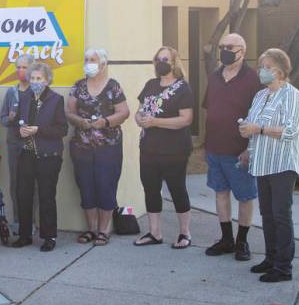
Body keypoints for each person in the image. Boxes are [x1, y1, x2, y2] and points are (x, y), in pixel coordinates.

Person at [239, 48, 299, 283]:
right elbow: (254, 125)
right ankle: (271, 259)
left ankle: (283, 267)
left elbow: (290, 131)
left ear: (280, 69)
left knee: (280, 215)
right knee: (267, 214)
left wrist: (260, 129)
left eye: (266, 67)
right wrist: (248, 146)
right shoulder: (260, 96)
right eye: (261, 67)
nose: (261, 71)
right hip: (262, 163)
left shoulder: (292, 95)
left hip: (282, 164)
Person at [202, 33, 262, 261]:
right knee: (220, 193)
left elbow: (259, 117)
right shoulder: (215, 76)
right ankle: (226, 239)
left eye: (230, 46)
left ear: (242, 51)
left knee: (245, 197)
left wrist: (250, 148)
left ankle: (242, 241)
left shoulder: (253, 79)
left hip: (239, 151)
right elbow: (211, 108)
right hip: (214, 147)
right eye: (222, 46)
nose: (225, 50)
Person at [65, 48, 130, 246]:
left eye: (92, 60)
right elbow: (69, 112)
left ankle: (104, 230)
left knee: (106, 186)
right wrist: (80, 122)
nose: (88, 63)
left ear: (103, 64)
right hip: (82, 147)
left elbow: (124, 112)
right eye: (86, 59)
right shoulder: (78, 86)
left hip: (108, 147)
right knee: (86, 187)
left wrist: (106, 121)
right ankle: (91, 229)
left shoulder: (113, 86)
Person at [134, 46, 195, 249]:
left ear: (174, 63)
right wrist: (140, 119)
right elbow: (140, 110)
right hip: (149, 148)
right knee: (151, 189)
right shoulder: (151, 84)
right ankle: (155, 232)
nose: (162, 62)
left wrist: (155, 122)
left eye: (166, 59)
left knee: (177, 190)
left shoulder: (182, 88)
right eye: (158, 59)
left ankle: (184, 233)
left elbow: (186, 119)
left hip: (175, 150)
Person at [11, 62, 68, 252]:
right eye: (33, 78)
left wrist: (38, 130)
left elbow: (62, 129)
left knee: (46, 195)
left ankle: (48, 236)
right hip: (26, 153)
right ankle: (25, 234)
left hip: (48, 155)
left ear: (47, 80)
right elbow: (17, 125)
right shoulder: (25, 97)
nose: (35, 82)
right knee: (23, 194)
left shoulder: (55, 99)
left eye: (39, 78)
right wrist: (21, 130)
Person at [0, 55, 35, 230]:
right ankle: (17, 221)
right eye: (18, 67)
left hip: (33, 143)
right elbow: (3, 119)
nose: (21, 71)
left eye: (24, 67)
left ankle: (33, 222)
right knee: (15, 182)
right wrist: (10, 118)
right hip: (14, 143)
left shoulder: (37, 92)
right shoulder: (11, 92)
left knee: (32, 183)